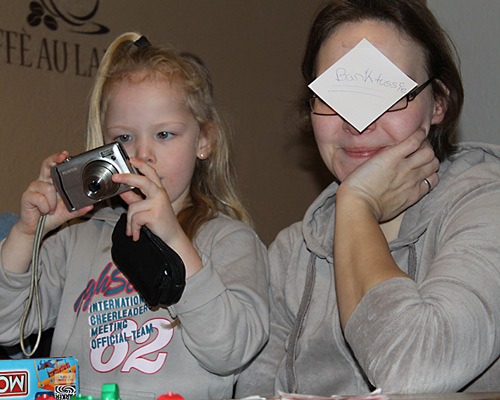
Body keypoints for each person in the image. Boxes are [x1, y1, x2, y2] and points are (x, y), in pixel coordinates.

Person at [235, 0, 500, 397]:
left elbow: (415, 371)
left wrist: (356, 205)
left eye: (387, 94)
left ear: (439, 103)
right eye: (334, 96)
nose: (358, 123)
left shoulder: (488, 208)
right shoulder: (291, 255)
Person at [0, 32, 269, 399]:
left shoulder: (228, 241)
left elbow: (231, 351)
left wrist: (174, 239)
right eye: (123, 138)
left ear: (203, 141)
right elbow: (7, 324)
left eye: (164, 134)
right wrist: (26, 234)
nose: (143, 154)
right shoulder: (79, 237)